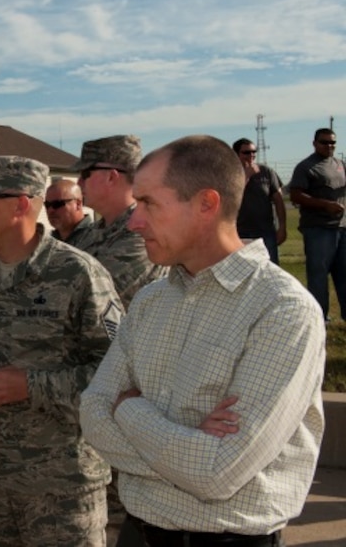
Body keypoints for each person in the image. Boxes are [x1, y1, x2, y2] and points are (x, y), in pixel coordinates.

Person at [80, 135, 325, 547]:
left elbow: (217, 473)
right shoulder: (151, 300)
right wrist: (185, 440)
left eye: (149, 203)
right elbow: (93, 415)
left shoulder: (282, 309)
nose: (135, 221)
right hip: (137, 532)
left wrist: (130, 408)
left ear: (206, 204)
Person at [0, 155, 123, 547]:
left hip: (61, 483)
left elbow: (119, 376)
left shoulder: (78, 274)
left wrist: (31, 385)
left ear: (21, 204)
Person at [73, 135, 167, 309]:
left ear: (111, 177)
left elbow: (84, 298)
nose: (78, 182)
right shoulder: (90, 233)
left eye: (85, 174)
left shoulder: (143, 233)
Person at [290, 128, 346, 321]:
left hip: (342, 228)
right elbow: (295, 195)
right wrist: (324, 205)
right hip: (318, 229)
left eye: (332, 143)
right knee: (318, 277)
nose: (329, 146)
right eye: (324, 142)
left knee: (344, 275)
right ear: (314, 143)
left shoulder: (339, 164)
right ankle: (319, 318)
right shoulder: (306, 167)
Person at [232, 138, 287, 264]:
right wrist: (246, 175)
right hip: (238, 232)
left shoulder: (266, 172)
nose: (251, 155)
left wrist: (282, 227)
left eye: (253, 152)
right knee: (241, 271)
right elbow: (232, 195)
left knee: (269, 270)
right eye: (246, 152)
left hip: (265, 231)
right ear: (235, 154)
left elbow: (278, 200)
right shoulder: (228, 173)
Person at [44, 178, 93, 247]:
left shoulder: (97, 238)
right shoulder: (46, 243)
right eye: (47, 205)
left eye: (58, 204)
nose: (50, 210)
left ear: (78, 204)